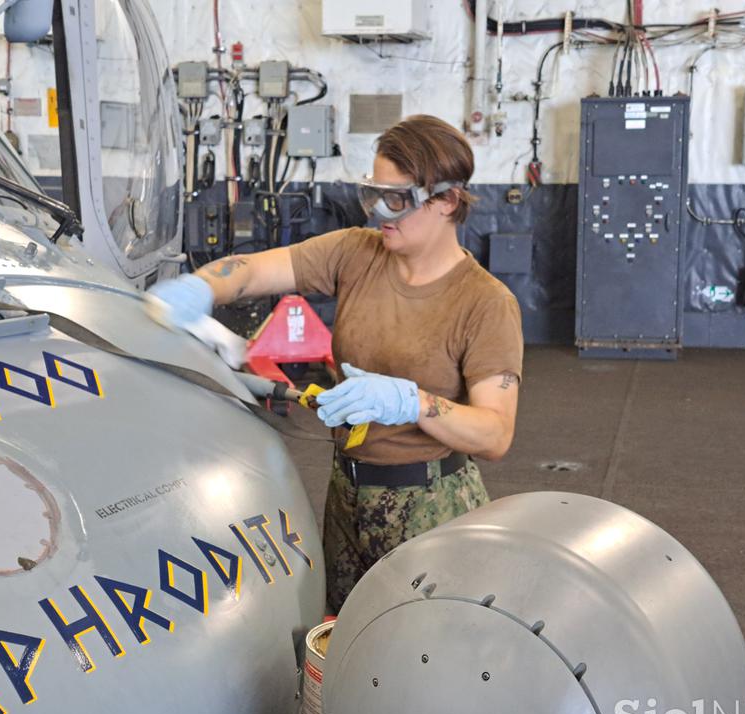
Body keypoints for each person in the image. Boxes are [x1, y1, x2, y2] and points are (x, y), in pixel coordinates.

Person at [151, 114, 523, 610]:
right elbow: (257, 269)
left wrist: (412, 403)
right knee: (341, 635)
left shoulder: (484, 302)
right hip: (347, 492)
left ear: (447, 201)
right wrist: (203, 285)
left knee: (424, 646)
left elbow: (495, 434)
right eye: (373, 194)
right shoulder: (356, 253)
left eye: (398, 199)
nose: (380, 214)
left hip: (430, 506)